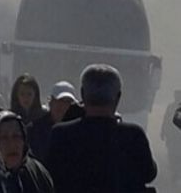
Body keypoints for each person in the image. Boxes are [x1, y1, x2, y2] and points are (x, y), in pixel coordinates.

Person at [47, 64, 157, 193]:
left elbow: (48, 175)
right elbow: (149, 173)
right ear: (118, 97)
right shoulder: (133, 135)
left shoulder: (61, 134)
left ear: (82, 94)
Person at [27, 81, 78, 163]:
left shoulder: (79, 130)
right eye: (59, 101)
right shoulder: (34, 129)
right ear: (50, 102)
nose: (63, 106)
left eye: (68, 102)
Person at [161, 91, 181, 185]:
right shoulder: (171, 107)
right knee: (172, 155)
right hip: (172, 136)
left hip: (176, 136)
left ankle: (177, 174)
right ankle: (175, 173)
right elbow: (166, 119)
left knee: (175, 156)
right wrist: (163, 131)